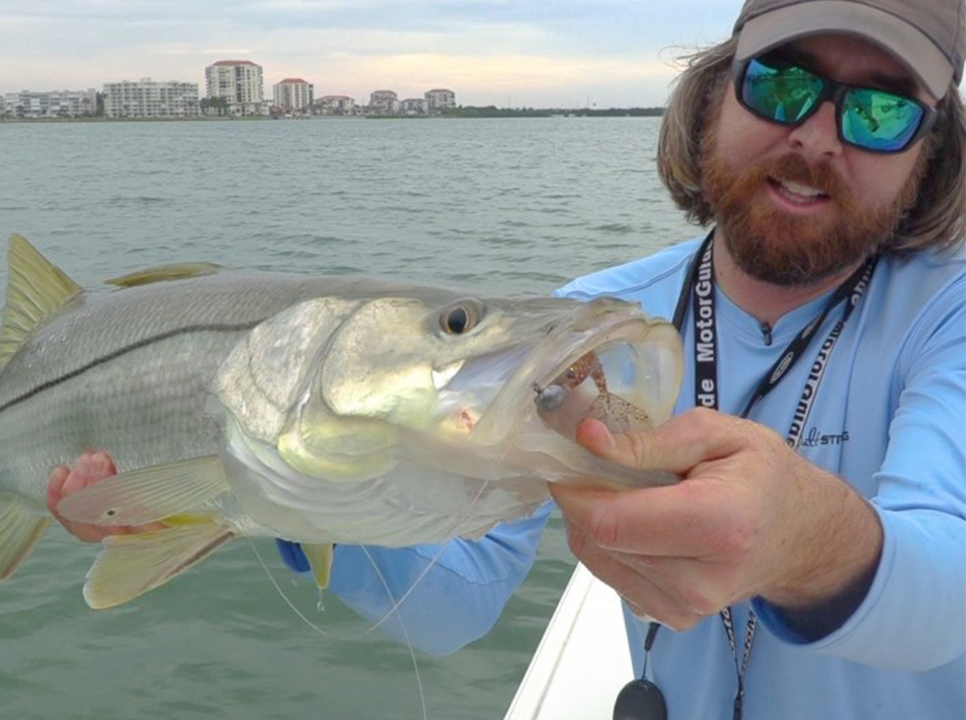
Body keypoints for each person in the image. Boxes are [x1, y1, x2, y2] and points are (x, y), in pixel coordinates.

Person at [49, 0, 965, 715]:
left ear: (930, 156)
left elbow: (949, 576)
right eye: (782, 85)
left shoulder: (950, 311)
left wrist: (811, 541)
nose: (815, 135)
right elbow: (463, 599)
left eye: (881, 112)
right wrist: (287, 492)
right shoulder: (596, 316)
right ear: (712, 98)